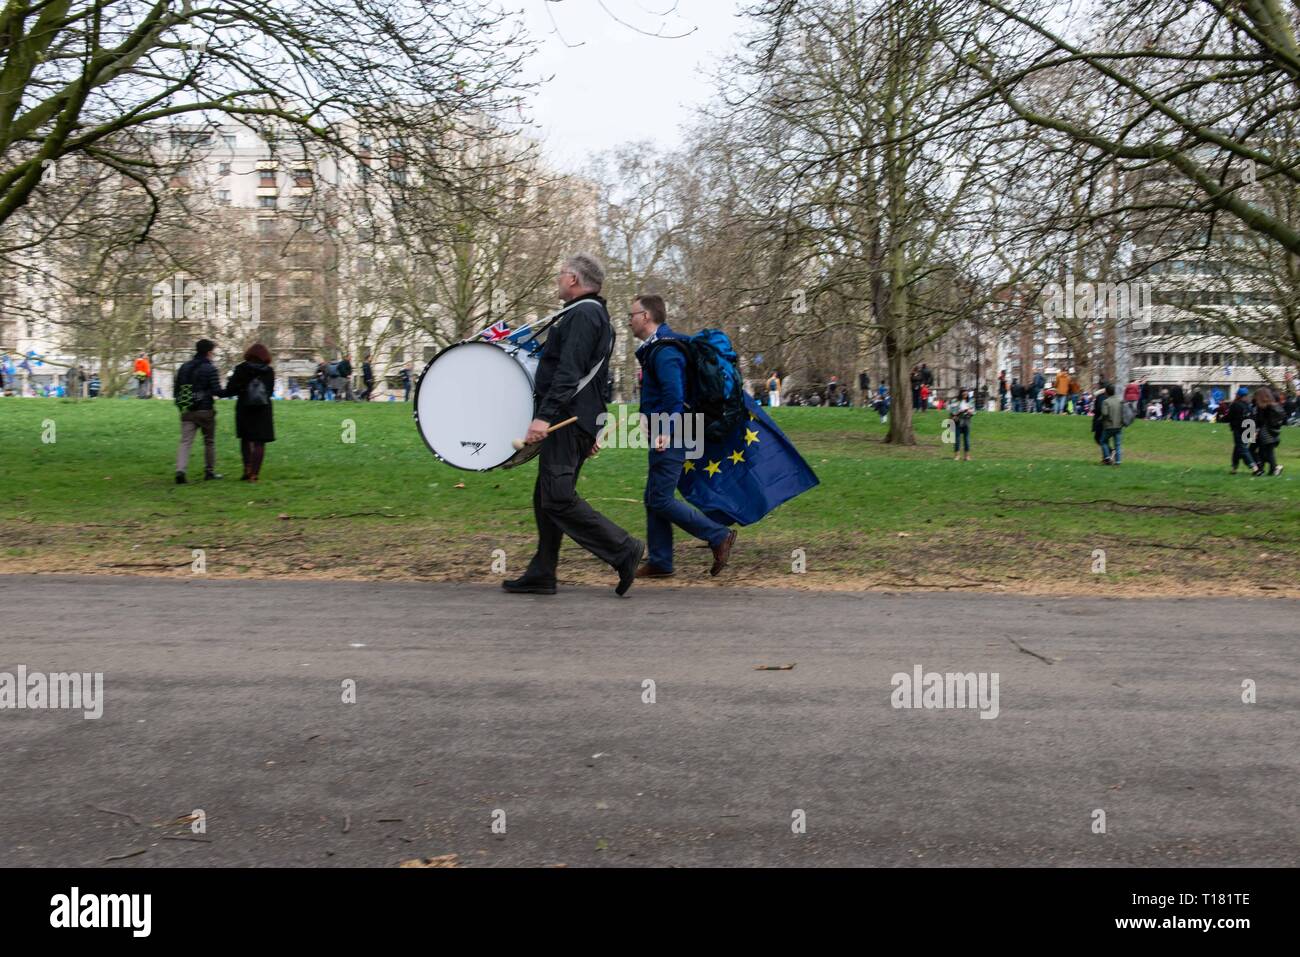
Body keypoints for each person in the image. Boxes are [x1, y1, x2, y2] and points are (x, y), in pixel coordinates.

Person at [503, 254, 643, 596]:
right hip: (576, 419)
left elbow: (568, 372)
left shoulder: (583, 314)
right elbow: (595, 379)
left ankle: (624, 550)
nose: (557, 280)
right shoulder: (595, 316)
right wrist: (593, 426)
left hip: (565, 420)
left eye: (560, 274)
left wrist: (544, 417)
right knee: (545, 496)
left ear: (574, 280)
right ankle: (542, 571)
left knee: (558, 497)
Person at [628, 294, 736, 580]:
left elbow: (674, 397)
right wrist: (644, 414)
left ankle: (718, 535)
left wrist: (665, 431)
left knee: (660, 498)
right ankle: (661, 561)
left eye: (632, 315)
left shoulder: (665, 351)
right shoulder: (658, 348)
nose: (629, 320)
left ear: (647, 317)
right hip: (671, 428)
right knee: (654, 496)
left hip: (674, 430)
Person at [220, 343, 276, 482]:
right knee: (259, 442)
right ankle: (254, 474)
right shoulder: (269, 371)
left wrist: (218, 392)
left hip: (245, 407)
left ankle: (247, 469)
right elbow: (269, 391)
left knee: (246, 439)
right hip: (263, 409)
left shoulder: (241, 369)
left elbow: (231, 389)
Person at [173, 339, 224, 484]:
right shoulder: (210, 369)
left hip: (188, 410)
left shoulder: (184, 367)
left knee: (185, 442)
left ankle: (180, 470)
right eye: (213, 352)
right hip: (205, 410)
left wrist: (181, 405)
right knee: (209, 442)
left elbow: (177, 390)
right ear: (208, 352)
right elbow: (217, 391)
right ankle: (209, 472)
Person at [1252, 386, 1285, 476]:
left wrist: (1255, 431)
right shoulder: (1275, 405)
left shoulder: (1263, 407)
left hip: (1266, 434)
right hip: (1274, 432)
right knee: (1268, 452)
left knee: (1265, 453)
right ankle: (1271, 470)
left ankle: (1275, 467)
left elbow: (1260, 421)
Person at [1226, 386, 1259, 475]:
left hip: (1240, 429)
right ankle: (1234, 468)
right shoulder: (1249, 405)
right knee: (1238, 448)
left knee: (1242, 449)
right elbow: (1254, 417)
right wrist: (1255, 430)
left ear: (1238, 395)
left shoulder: (1235, 405)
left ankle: (1254, 468)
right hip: (1250, 427)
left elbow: (1229, 417)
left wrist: (1222, 418)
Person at [1098, 383, 1126, 465]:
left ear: (1106, 392)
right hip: (1119, 425)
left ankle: (1107, 457)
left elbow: (1105, 413)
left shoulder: (1106, 402)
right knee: (1117, 444)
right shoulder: (1120, 401)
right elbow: (1123, 413)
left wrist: (1101, 419)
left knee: (1103, 441)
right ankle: (1118, 461)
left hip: (1109, 426)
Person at [950, 390, 974, 461]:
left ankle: (967, 456)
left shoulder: (970, 401)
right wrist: (959, 411)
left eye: (966, 394)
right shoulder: (955, 401)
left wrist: (970, 411)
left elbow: (974, 412)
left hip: (966, 421)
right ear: (960, 394)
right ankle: (957, 456)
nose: (965, 395)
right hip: (958, 421)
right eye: (964, 394)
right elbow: (952, 411)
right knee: (957, 439)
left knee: (967, 439)